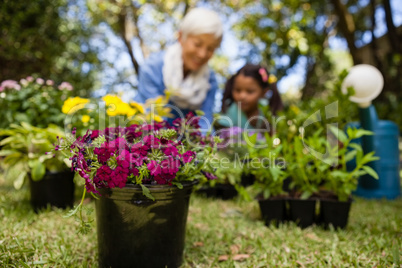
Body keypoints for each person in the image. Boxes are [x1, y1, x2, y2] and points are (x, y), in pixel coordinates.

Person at [135, 8, 223, 131]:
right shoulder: (153, 67)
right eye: (197, 44)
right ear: (181, 37)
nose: (202, 54)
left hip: (187, 144)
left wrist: (207, 146)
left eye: (210, 48)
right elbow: (153, 120)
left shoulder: (210, 80)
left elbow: (205, 123)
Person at [218, 64, 283, 131]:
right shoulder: (231, 110)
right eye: (238, 90)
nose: (242, 96)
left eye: (250, 91)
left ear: (264, 92)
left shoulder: (268, 111)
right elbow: (225, 136)